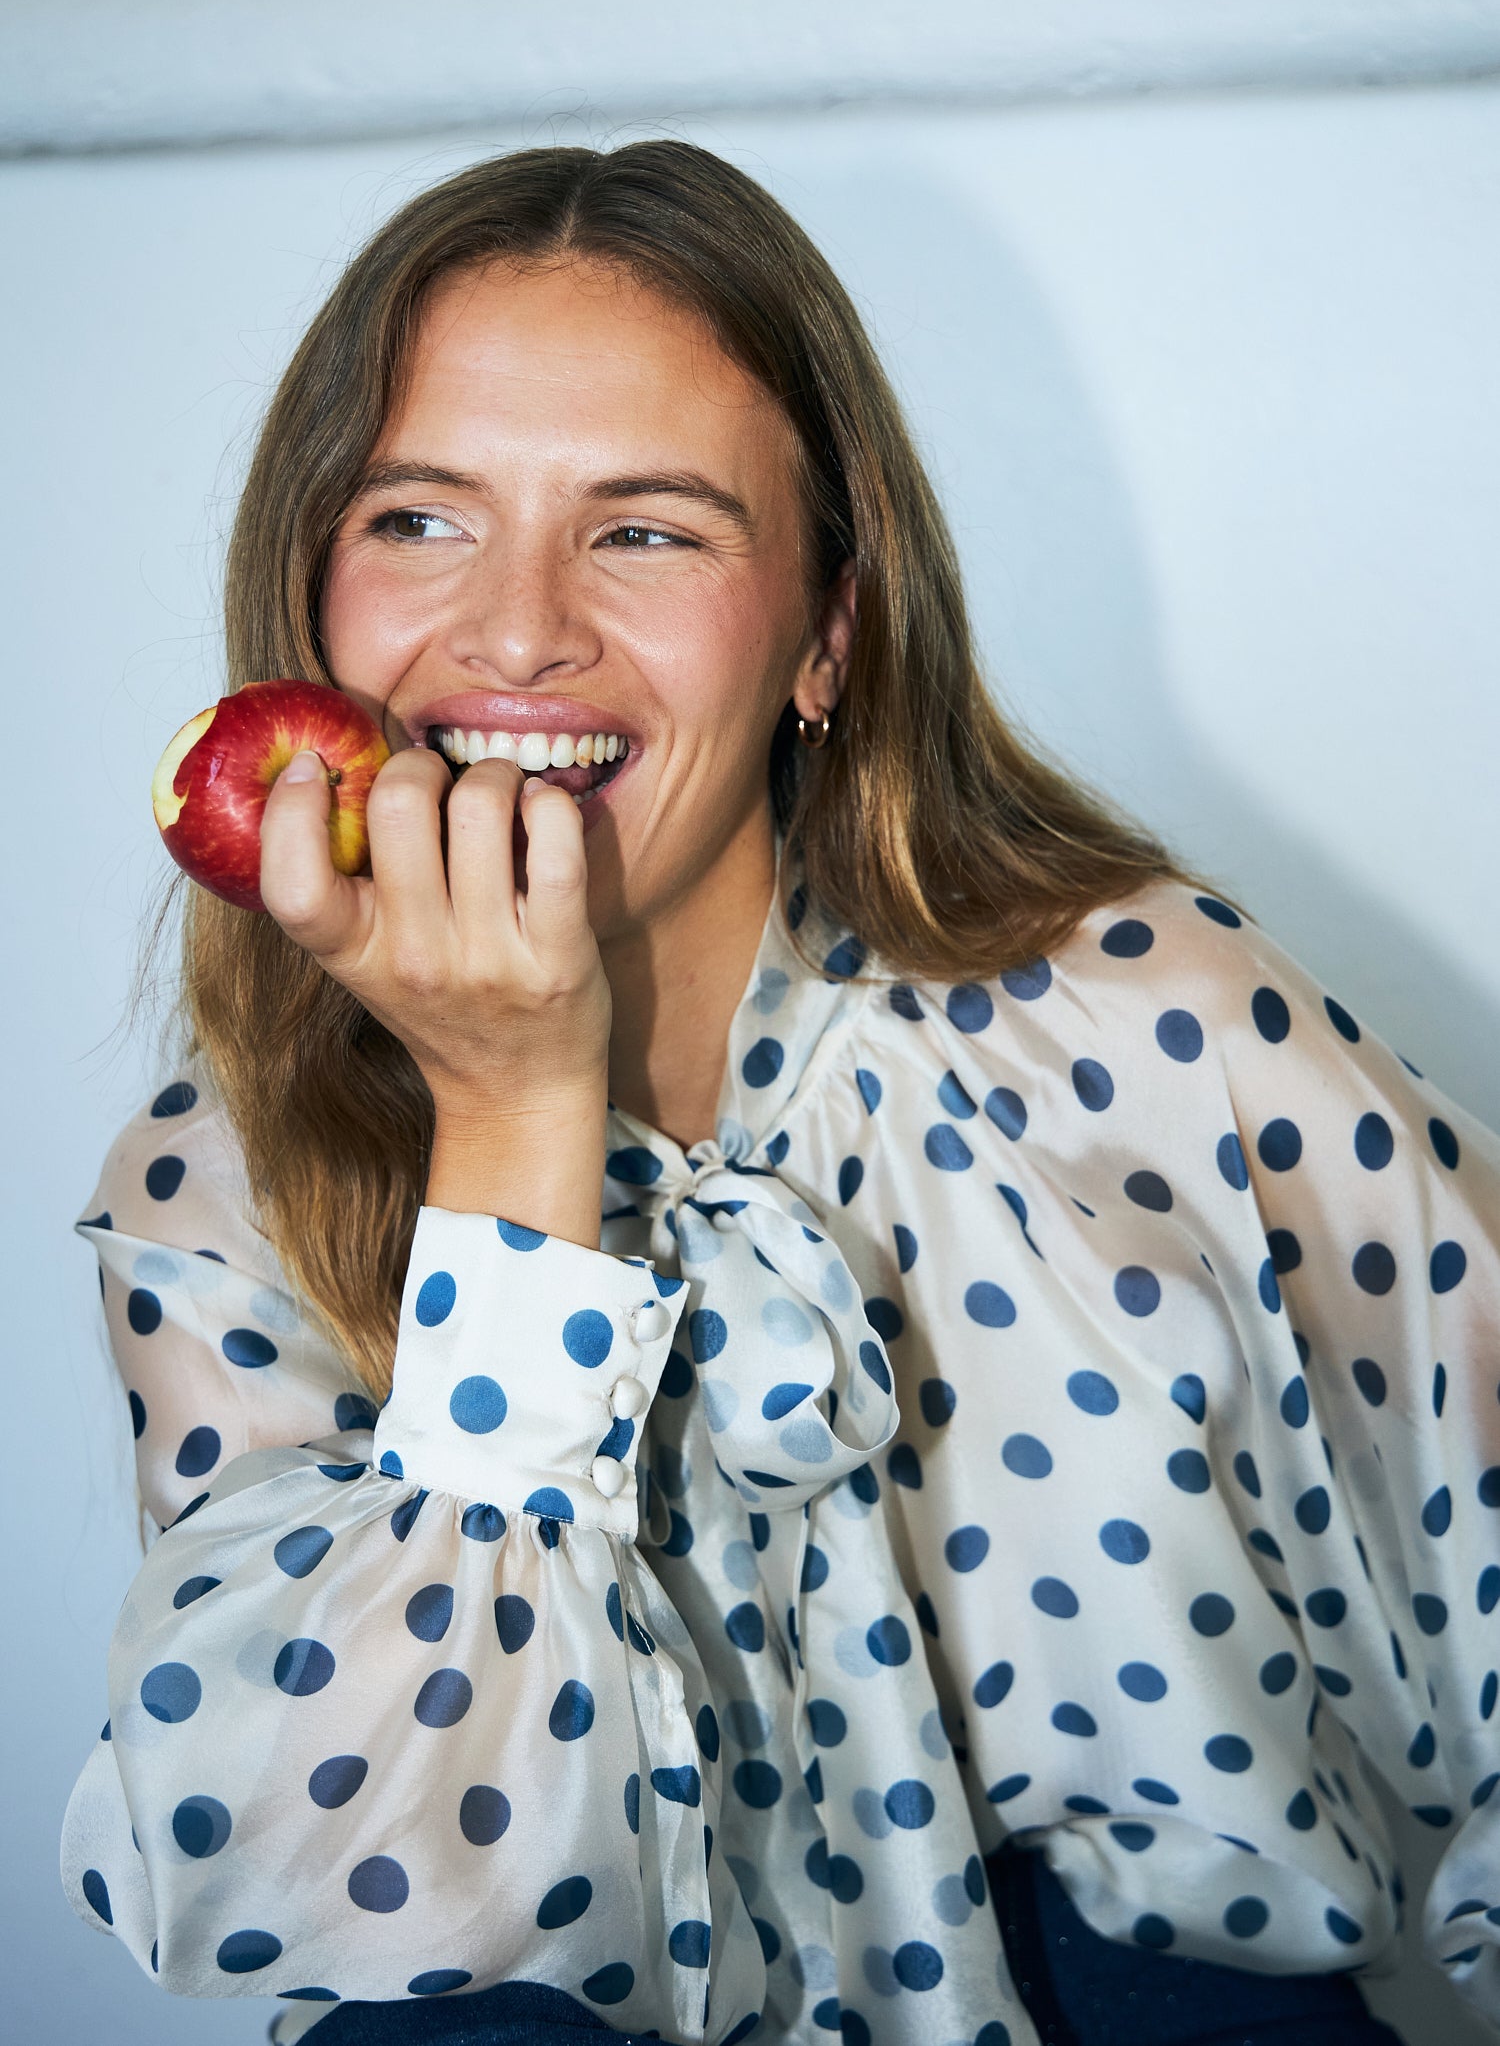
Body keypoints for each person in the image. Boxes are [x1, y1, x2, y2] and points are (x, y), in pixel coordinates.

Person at [62, 142, 1498, 2046]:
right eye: (420, 520)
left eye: (645, 529)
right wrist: (512, 1124)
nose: (515, 631)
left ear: (827, 630)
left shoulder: (1145, 1016)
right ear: (313, 598)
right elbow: (379, 1895)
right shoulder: (214, 1188)